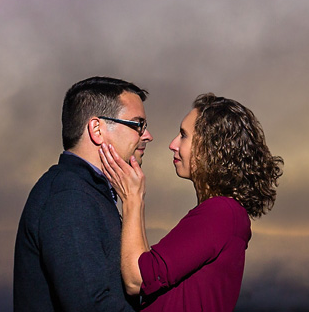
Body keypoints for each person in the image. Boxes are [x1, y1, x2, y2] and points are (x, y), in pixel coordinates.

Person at [100, 93, 283, 312]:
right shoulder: (222, 213)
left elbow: (137, 280)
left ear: (211, 148)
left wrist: (132, 199)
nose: (172, 144)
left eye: (183, 135)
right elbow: (153, 270)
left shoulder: (220, 212)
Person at [13, 76, 153, 312]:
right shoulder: (69, 197)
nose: (147, 135)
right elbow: (90, 304)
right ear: (97, 129)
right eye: (138, 124)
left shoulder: (87, 192)